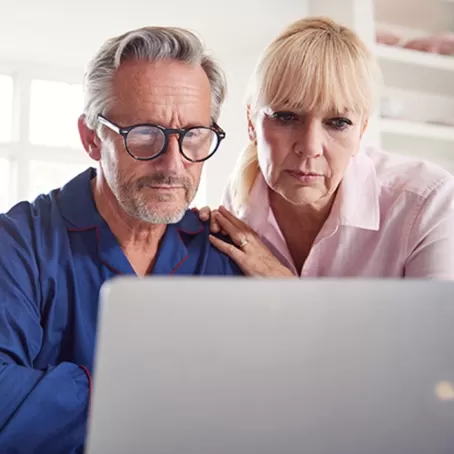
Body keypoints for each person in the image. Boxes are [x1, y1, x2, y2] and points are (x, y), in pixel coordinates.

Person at [0, 26, 242, 453]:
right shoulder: (19, 244)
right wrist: (157, 395)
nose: (174, 164)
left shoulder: (220, 254)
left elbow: (254, 399)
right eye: (145, 134)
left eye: (194, 135)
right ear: (92, 138)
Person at [200, 17, 454, 278]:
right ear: (251, 123)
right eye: (286, 117)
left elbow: (434, 320)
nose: (310, 148)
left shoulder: (427, 203)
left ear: (361, 131)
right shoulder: (238, 205)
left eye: (338, 123)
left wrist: (287, 289)